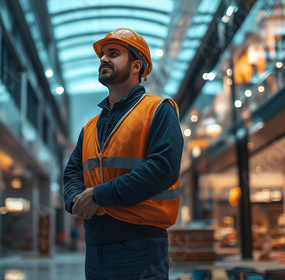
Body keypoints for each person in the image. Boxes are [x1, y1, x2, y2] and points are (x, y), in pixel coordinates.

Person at [63, 28, 183, 280]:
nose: (104, 59)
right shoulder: (90, 126)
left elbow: (162, 168)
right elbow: (73, 171)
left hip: (141, 244)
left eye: (114, 53)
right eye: (102, 55)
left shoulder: (158, 110)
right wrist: (76, 200)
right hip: (95, 244)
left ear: (137, 65)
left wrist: (100, 195)